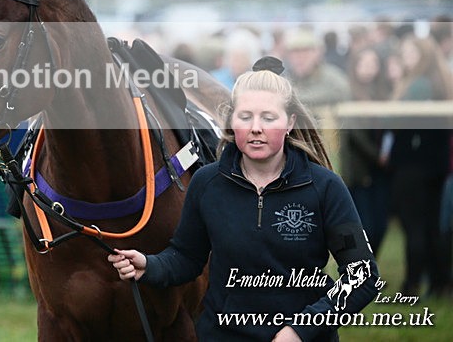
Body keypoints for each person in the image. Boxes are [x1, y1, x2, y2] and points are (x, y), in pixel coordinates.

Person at [108, 56, 378, 342]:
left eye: (268, 117)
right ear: (232, 120)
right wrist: (150, 266)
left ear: (290, 123)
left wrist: (301, 330)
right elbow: (187, 258)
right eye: (245, 117)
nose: (256, 127)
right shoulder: (207, 183)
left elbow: (362, 276)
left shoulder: (325, 187)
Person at [388, 34, 453, 297]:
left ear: (421, 55)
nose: (404, 58)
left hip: (412, 164)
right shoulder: (440, 81)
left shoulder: (418, 85)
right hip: (435, 164)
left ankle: (412, 285)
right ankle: (439, 283)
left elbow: (400, 124)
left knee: (414, 226)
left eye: (409, 53)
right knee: (431, 226)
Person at [338, 46, 392, 257]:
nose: (370, 69)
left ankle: (370, 269)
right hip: (359, 168)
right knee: (364, 225)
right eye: (365, 64)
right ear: (355, 66)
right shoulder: (348, 92)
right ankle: (362, 271)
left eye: (374, 64)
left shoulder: (383, 93)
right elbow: (354, 132)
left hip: (381, 168)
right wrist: (377, 155)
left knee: (380, 224)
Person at [283, 27, 350, 110]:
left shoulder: (332, 78)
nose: (300, 58)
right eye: (295, 53)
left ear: (318, 53)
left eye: (305, 52)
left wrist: (294, 97)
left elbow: (338, 93)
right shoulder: (288, 78)